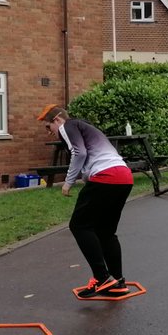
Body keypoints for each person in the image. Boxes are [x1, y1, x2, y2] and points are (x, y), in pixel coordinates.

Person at [38, 104, 134, 298]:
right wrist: (87, 175)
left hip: (106, 177)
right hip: (124, 177)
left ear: (57, 119)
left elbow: (79, 153)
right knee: (106, 232)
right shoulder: (86, 126)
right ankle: (117, 281)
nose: (50, 133)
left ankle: (102, 278)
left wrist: (68, 182)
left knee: (79, 225)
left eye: (48, 127)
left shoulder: (68, 126)